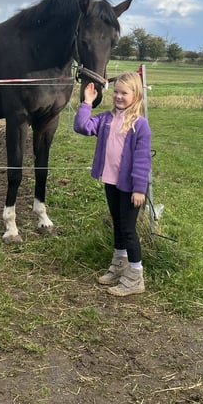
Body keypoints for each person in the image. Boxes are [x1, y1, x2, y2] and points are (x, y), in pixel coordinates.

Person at [73, 71, 152, 296]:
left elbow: (142, 159)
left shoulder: (140, 125)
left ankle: (136, 277)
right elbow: (81, 127)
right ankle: (119, 265)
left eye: (124, 93)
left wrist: (139, 189)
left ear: (136, 95)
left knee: (128, 230)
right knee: (117, 225)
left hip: (131, 188)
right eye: (116, 92)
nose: (118, 96)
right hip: (111, 182)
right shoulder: (106, 119)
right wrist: (87, 102)